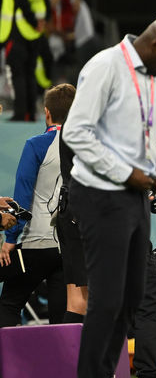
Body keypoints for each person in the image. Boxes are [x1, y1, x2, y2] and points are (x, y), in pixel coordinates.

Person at [62, 16, 156, 378]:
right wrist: (125, 173)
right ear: (154, 46)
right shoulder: (104, 67)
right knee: (108, 297)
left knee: (133, 297)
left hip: (134, 195)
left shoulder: (150, 76)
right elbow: (76, 133)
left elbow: (144, 138)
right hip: (100, 195)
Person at [0, 83, 75, 327]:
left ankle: (8, 365)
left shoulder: (36, 145)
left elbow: (21, 198)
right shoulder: (88, 148)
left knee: (9, 304)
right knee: (62, 317)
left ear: (47, 113)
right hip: (71, 246)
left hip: (36, 243)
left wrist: (10, 239)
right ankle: (61, 366)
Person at [6, 0, 46, 121]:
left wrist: (33, 21)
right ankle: (31, 112)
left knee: (18, 73)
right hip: (35, 31)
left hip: (18, 28)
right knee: (29, 72)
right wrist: (40, 21)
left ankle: (21, 113)